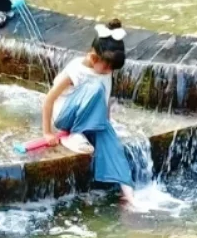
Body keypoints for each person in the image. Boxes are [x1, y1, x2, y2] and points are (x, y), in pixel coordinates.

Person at [40, 19, 135, 205]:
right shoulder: (76, 70)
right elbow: (49, 99)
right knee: (96, 87)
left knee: (113, 144)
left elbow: (105, 100)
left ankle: (129, 194)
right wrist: (47, 132)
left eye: (112, 68)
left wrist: (107, 124)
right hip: (66, 118)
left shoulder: (105, 71)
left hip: (91, 117)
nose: (109, 71)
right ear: (93, 58)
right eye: (107, 67)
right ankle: (75, 134)